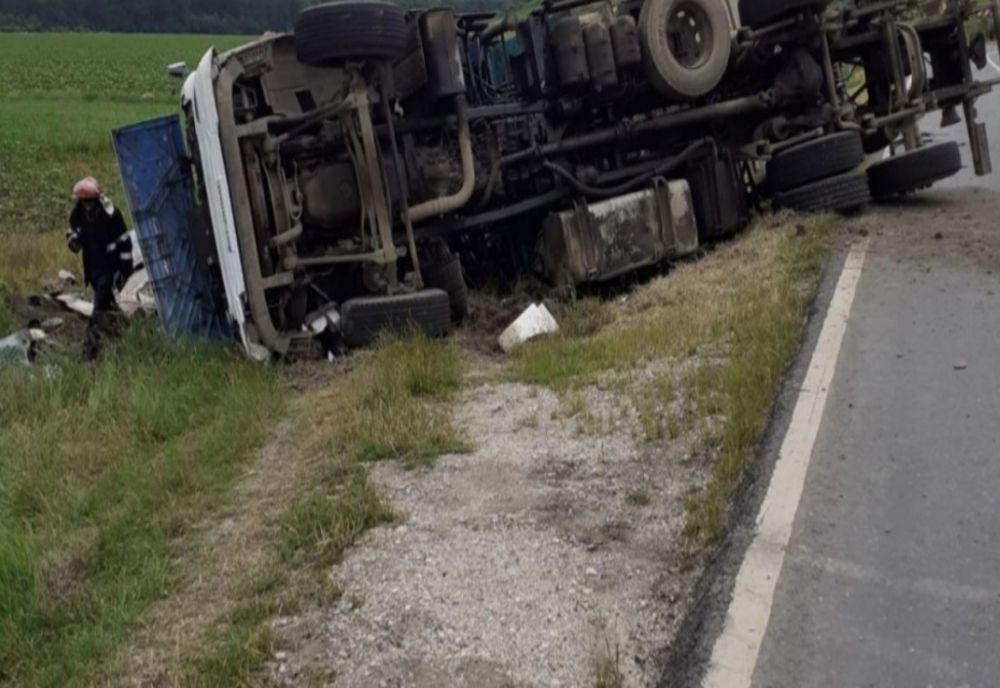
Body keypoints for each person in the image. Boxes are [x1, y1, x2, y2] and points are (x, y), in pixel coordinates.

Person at [66, 177, 133, 360]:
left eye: (89, 201)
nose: (87, 205)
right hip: (92, 269)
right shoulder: (77, 214)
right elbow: (71, 234)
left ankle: (89, 350)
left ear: (96, 199)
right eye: (83, 201)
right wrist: (74, 243)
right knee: (108, 304)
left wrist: (126, 270)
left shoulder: (111, 215)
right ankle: (126, 331)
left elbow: (124, 242)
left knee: (98, 310)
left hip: (109, 267)